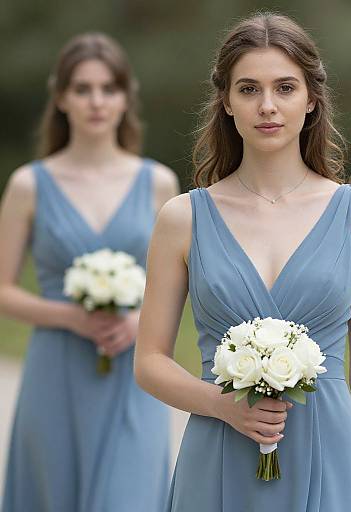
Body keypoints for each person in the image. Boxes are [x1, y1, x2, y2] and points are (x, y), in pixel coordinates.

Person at [135, 13, 351, 512]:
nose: (267, 106)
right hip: (218, 454)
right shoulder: (182, 218)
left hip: (332, 453)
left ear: (312, 98)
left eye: (284, 87)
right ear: (227, 102)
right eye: (248, 89)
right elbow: (149, 361)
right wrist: (222, 405)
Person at [0, 33, 179, 511]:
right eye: (82, 89)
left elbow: (180, 288)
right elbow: (2, 290)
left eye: (109, 88)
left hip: (134, 371)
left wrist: (139, 319)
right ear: (61, 98)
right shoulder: (28, 184)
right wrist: (71, 317)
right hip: (54, 371)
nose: (96, 101)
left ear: (126, 96)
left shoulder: (158, 183)